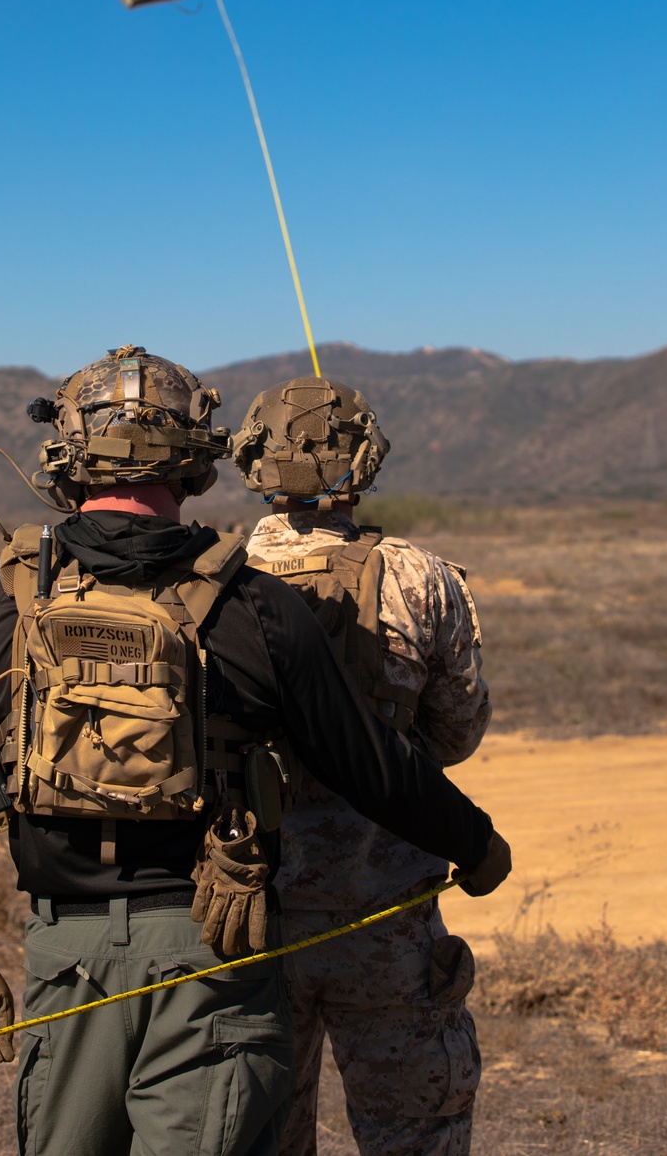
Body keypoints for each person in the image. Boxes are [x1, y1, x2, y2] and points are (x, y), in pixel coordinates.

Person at [0, 346, 510, 1156]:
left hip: (64, 954)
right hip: (215, 947)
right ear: (197, 460)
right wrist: (472, 842)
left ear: (65, 452)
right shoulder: (246, 603)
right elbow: (367, 763)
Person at [234, 374, 494, 1156]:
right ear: (365, 460)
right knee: (416, 1135)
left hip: (252, 920)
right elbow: (454, 736)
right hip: (387, 917)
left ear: (253, 459)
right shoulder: (421, 577)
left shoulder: (213, 577)